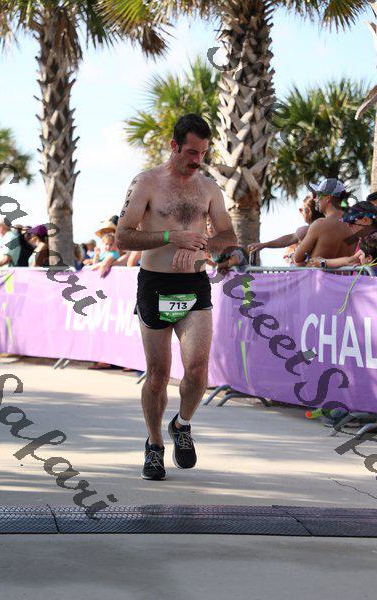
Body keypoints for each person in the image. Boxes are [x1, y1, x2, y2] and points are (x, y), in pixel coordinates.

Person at [116, 113, 237, 480]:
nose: (197, 160)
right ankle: (154, 444)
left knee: (198, 369)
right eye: (191, 152)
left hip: (194, 285)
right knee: (158, 374)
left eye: (203, 153)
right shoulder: (146, 183)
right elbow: (123, 237)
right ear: (173, 146)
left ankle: (182, 424)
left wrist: (200, 246)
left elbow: (228, 237)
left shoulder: (209, 188)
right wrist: (171, 237)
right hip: (155, 284)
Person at [293, 178, 357, 266]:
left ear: (328, 198)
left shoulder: (319, 224)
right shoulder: (354, 224)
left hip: (318, 275)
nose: (315, 199)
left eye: (318, 195)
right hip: (346, 275)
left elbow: (297, 258)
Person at [247, 194, 323, 263]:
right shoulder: (328, 226)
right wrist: (264, 245)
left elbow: (289, 239)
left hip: (310, 272)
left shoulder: (305, 230)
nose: (300, 212)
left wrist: (264, 245)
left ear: (308, 211)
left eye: (301, 209)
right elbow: (290, 238)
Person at [308, 201, 377, 270]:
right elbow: (352, 260)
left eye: (351, 222)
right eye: (347, 223)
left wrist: (323, 262)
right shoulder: (363, 238)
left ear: (365, 220)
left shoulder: (372, 239)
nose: (348, 226)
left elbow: (352, 261)